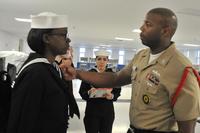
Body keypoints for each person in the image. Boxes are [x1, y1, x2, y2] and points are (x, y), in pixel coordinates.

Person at [63, 8, 200, 133]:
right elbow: (116, 78)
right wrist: (77, 73)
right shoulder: (142, 56)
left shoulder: (181, 70)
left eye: (148, 24)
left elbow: (187, 127)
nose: (141, 28)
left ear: (165, 31)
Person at [7, 12, 79, 133]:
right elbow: (24, 121)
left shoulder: (52, 68)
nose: (68, 40)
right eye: (63, 35)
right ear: (46, 38)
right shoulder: (35, 73)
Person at [79, 50, 121, 133]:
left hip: (107, 112)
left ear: (107, 61)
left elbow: (117, 91)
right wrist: (89, 92)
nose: (102, 62)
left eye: (104, 59)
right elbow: (82, 92)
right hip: (92, 112)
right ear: (95, 60)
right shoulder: (89, 74)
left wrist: (112, 96)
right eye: (99, 59)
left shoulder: (113, 75)